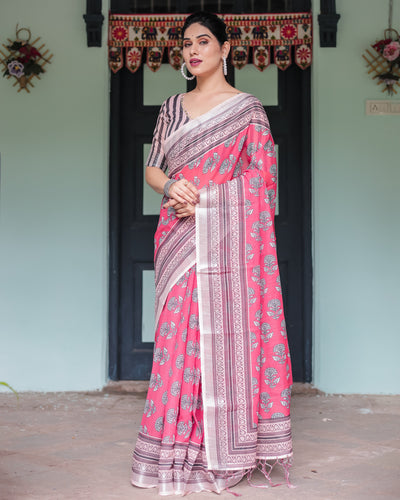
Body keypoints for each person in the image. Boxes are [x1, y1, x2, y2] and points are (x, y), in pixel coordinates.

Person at [131, 11, 293, 496]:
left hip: (226, 241)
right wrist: (175, 185)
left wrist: (204, 198)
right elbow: (152, 169)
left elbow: (263, 182)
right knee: (177, 342)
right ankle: (172, 449)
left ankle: (222, 450)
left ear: (225, 49)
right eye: (185, 44)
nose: (192, 50)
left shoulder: (247, 110)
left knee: (220, 336)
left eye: (204, 41)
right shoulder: (172, 108)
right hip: (178, 237)